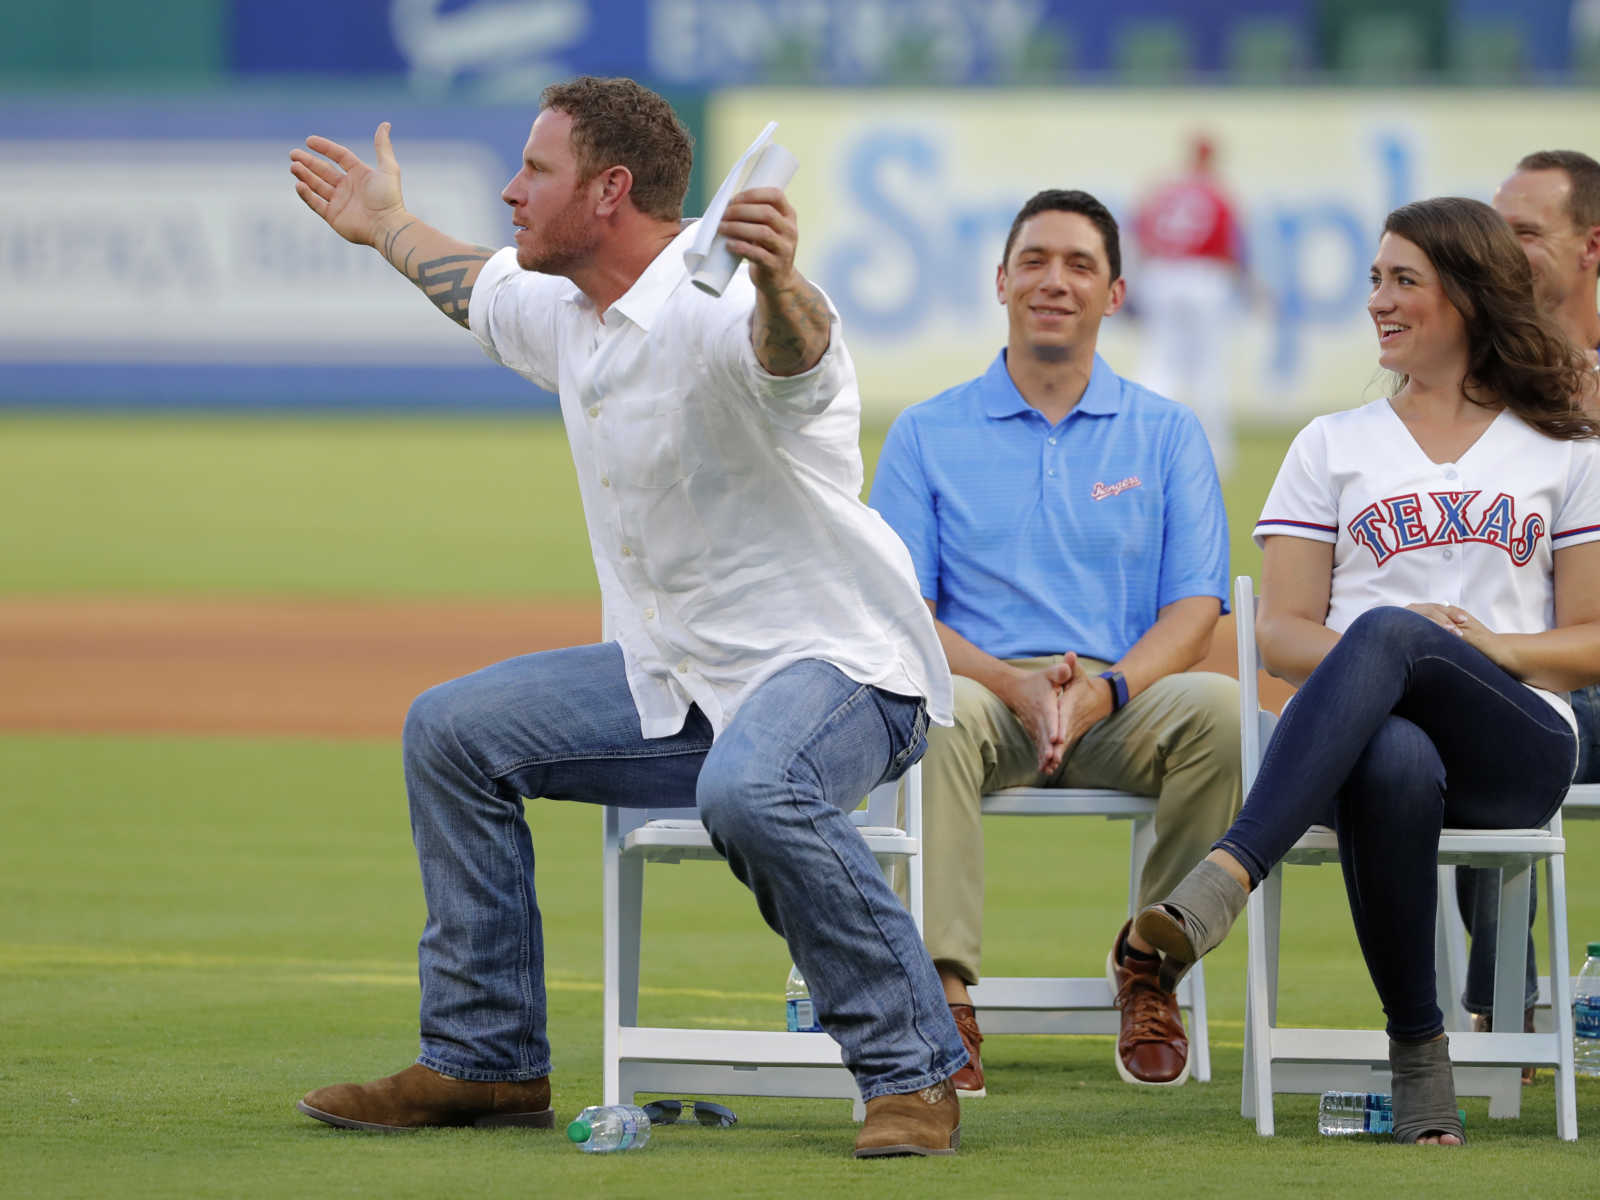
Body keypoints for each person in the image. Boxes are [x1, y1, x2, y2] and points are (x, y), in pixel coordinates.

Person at [286, 75, 968, 1158]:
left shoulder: (727, 307)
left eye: (535, 171)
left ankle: (914, 1070)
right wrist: (383, 226)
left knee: (750, 784)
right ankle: (485, 1062)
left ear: (608, 191)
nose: (511, 191)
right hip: (674, 683)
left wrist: (781, 275)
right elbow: (471, 285)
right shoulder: (567, 307)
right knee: (450, 731)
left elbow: (794, 353)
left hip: (840, 672)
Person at [1133, 196, 1600, 1145]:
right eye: (1374, 281)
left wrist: (1486, 646)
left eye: (1403, 282)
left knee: (1389, 630)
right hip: (1369, 757)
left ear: (1466, 296)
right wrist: (1394, 638)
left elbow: (1591, 639)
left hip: (1516, 746)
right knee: (1390, 752)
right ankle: (1420, 1058)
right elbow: (1284, 635)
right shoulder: (1330, 446)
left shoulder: (1564, 448)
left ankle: (1225, 874)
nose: (1379, 302)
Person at [869, 189, 1241, 1096]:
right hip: (981, 690)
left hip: (1127, 695)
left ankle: (1151, 965)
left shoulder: (1167, 430)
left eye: (1081, 265)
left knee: (1229, 716)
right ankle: (943, 996)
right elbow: (899, 611)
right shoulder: (927, 431)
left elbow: (1196, 610)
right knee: (932, 723)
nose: (1054, 281)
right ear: (1001, 280)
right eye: (1035, 260)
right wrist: (1013, 682)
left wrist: (1103, 693)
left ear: (1115, 295)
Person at [1455, 149, 1600, 1066]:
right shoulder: (1473, 392)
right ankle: (1505, 1002)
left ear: (1593, 247)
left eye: (1526, 234)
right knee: (1466, 721)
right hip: (1526, 672)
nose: (1502, 255)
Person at [1131, 133, 1248, 476]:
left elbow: (1140, 236)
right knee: (1208, 366)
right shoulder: (1218, 194)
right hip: (1205, 278)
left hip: (1162, 275)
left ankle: (1144, 444)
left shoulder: (1164, 190)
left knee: (1158, 362)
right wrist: (1245, 283)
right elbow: (1231, 248)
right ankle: (1217, 453)